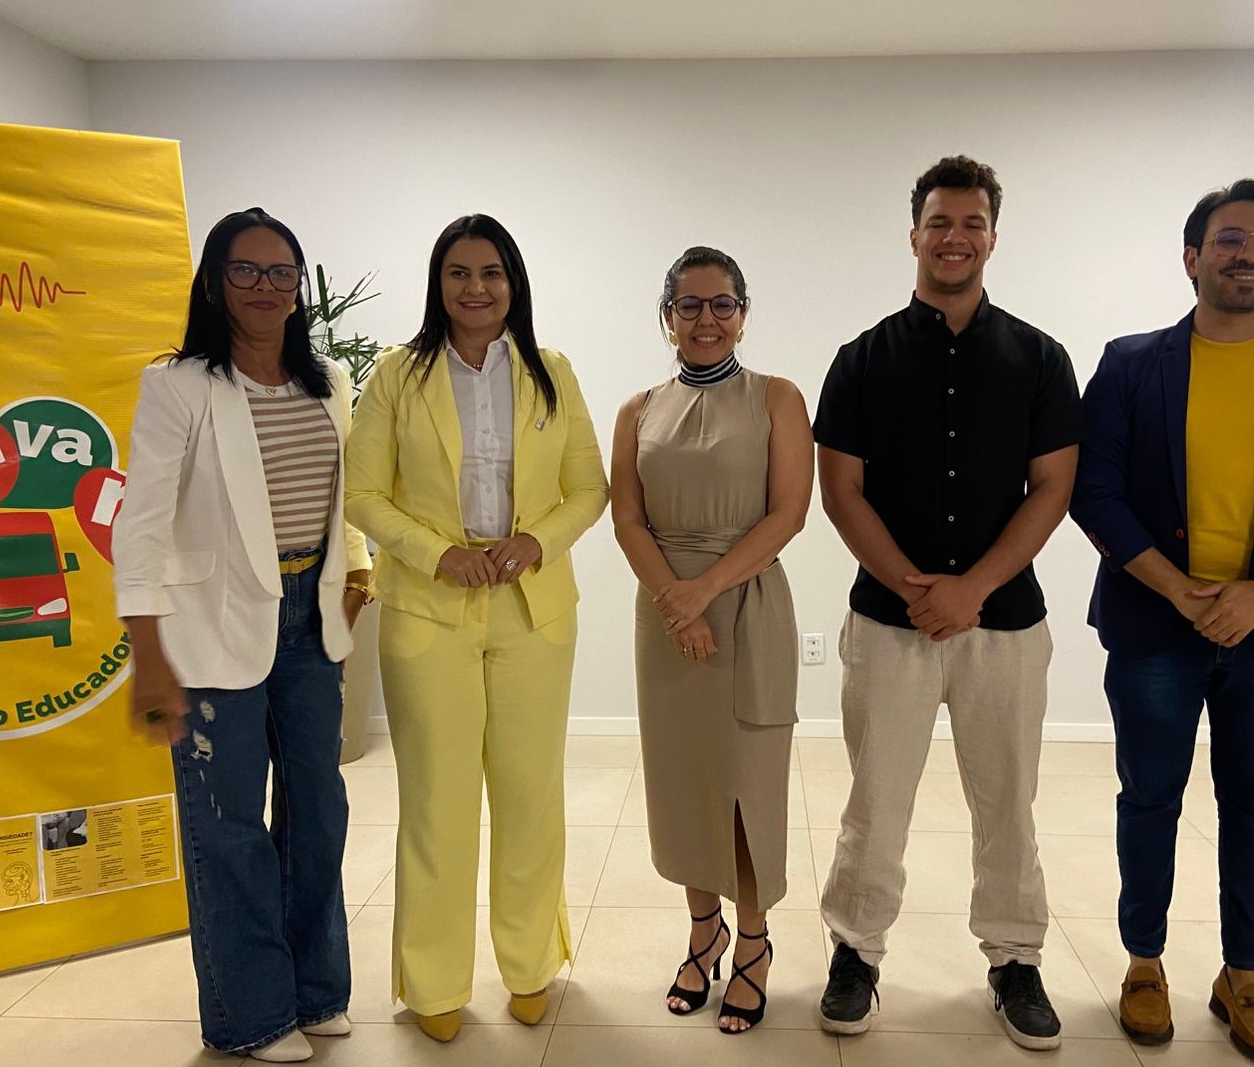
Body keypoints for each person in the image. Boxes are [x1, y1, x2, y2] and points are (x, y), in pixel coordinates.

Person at [1069, 179, 1254, 1066]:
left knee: (1253, 804)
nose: (1250, 253)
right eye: (1231, 238)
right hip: (1154, 624)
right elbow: (1095, 492)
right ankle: (1144, 961)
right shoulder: (1131, 363)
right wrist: (1175, 588)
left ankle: (1245, 973)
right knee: (1149, 797)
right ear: (1192, 257)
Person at [812, 156, 1083, 1050]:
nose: (954, 237)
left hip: (1004, 623)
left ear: (993, 237)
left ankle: (1014, 958)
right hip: (887, 622)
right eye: (939, 222)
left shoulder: (1041, 359)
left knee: (1007, 803)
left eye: (971, 223)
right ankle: (855, 951)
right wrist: (913, 586)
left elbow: (1052, 488)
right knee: (875, 800)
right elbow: (841, 491)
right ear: (914, 234)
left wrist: (973, 588)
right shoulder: (861, 360)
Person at [113, 207, 372, 1064]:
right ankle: (250, 1013)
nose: (266, 286)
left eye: (281, 271)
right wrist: (148, 654)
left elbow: (346, 492)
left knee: (318, 810)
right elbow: (140, 523)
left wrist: (356, 573)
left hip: (311, 618)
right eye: (246, 270)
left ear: (299, 285)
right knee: (229, 825)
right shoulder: (180, 383)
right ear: (216, 281)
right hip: (210, 622)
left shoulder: (328, 379)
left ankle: (316, 989)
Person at [343, 214, 609, 1044]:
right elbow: (362, 494)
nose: (476, 288)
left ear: (513, 282)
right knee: (438, 802)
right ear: (439, 283)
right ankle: (432, 980)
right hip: (430, 611)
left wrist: (537, 541)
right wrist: (439, 554)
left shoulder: (551, 371)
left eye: (491, 272)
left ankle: (530, 965)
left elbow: (589, 488)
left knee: (531, 795)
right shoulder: (397, 374)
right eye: (458, 273)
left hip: (533, 609)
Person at [609, 247, 813, 1034]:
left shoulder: (777, 398)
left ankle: (753, 940)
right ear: (667, 316)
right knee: (685, 779)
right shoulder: (638, 410)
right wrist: (676, 600)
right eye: (688, 305)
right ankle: (705, 932)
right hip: (666, 613)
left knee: (746, 783)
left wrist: (704, 591)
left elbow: (789, 513)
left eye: (721, 304)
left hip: (747, 601)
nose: (706, 319)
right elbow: (628, 517)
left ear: (743, 314)